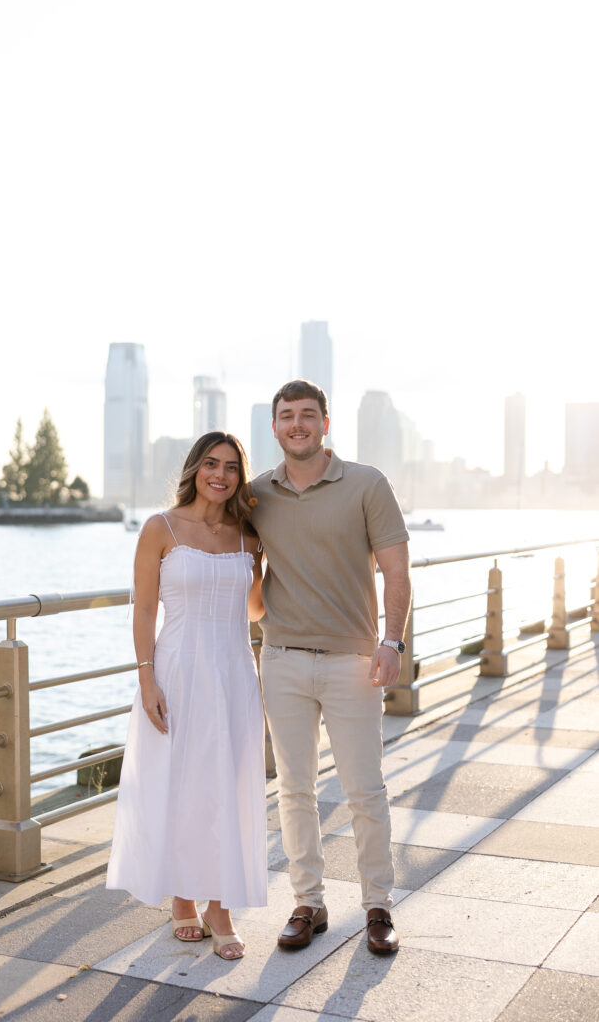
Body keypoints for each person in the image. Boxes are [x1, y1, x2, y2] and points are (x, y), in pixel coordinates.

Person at [250, 380, 411, 956]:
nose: (298, 424)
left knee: (365, 790)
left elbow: (396, 570)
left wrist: (392, 641)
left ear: (325, 423)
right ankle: (308, 903)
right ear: (274, 427)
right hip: (281, 659)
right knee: (293, 789)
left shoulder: (367, 484)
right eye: (287, 416)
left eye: (308, 415)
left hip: (354, 661)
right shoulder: (255, 495)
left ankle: (377, 906)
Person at [106, 432, 267, 961]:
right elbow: (144, 610)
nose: (220, 475)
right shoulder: (162, 528)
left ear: (241, 478)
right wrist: (146, 679)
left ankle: (220, 905)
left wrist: (273, 568)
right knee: (180, 785)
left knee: (228, 782)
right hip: (176, 669)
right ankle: (182, 899)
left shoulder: (249, 536)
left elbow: (255, 611)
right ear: (195, 469)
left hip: (234, 671)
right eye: (210, 464)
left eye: (231, 468)